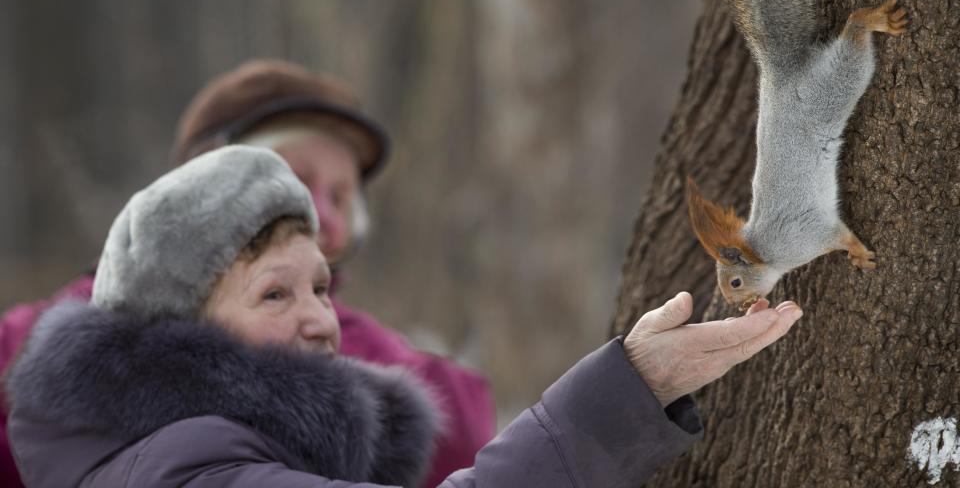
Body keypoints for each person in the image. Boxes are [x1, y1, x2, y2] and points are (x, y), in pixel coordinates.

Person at [6, 146, 803, 487]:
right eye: (275, 294)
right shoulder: (187, 469)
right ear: (175, 341)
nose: (322, 320)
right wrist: (629, 389)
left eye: (321, 287)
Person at [0, 60, 494, 488]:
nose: (325, 216)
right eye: (297, 179)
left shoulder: (344, 329)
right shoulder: (49, 342)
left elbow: (464, 429)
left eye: (343, 197)